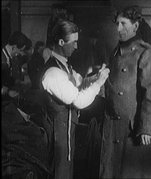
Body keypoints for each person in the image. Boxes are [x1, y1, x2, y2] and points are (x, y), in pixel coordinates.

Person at [99, 6, 151, 179]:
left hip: (135, 131)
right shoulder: (115, 52)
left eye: (123, 23)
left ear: (135, 26)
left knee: (134, 173)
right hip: (114, 128)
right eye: (117, 24)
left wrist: (147, 129)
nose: (118, 28)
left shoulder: (146, 52)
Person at [41, 19, 109, 179]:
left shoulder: (64, 66)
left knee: (66, 171)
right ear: (61, 42)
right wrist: (98, 83)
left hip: (66, 133)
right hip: (56, 136)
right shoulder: (53, 72)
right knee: (59, 173)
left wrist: (94, 79)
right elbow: (77, 100)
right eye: (74, 42)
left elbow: (79, 82)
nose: (77, 46)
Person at [1, 31, 31, 100]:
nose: (21, 54)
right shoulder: (3, 60)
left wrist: (16, 81)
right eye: (20, 50)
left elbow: (5, 77)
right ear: (14, 47)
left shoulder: (7, 58)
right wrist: (8, 92)